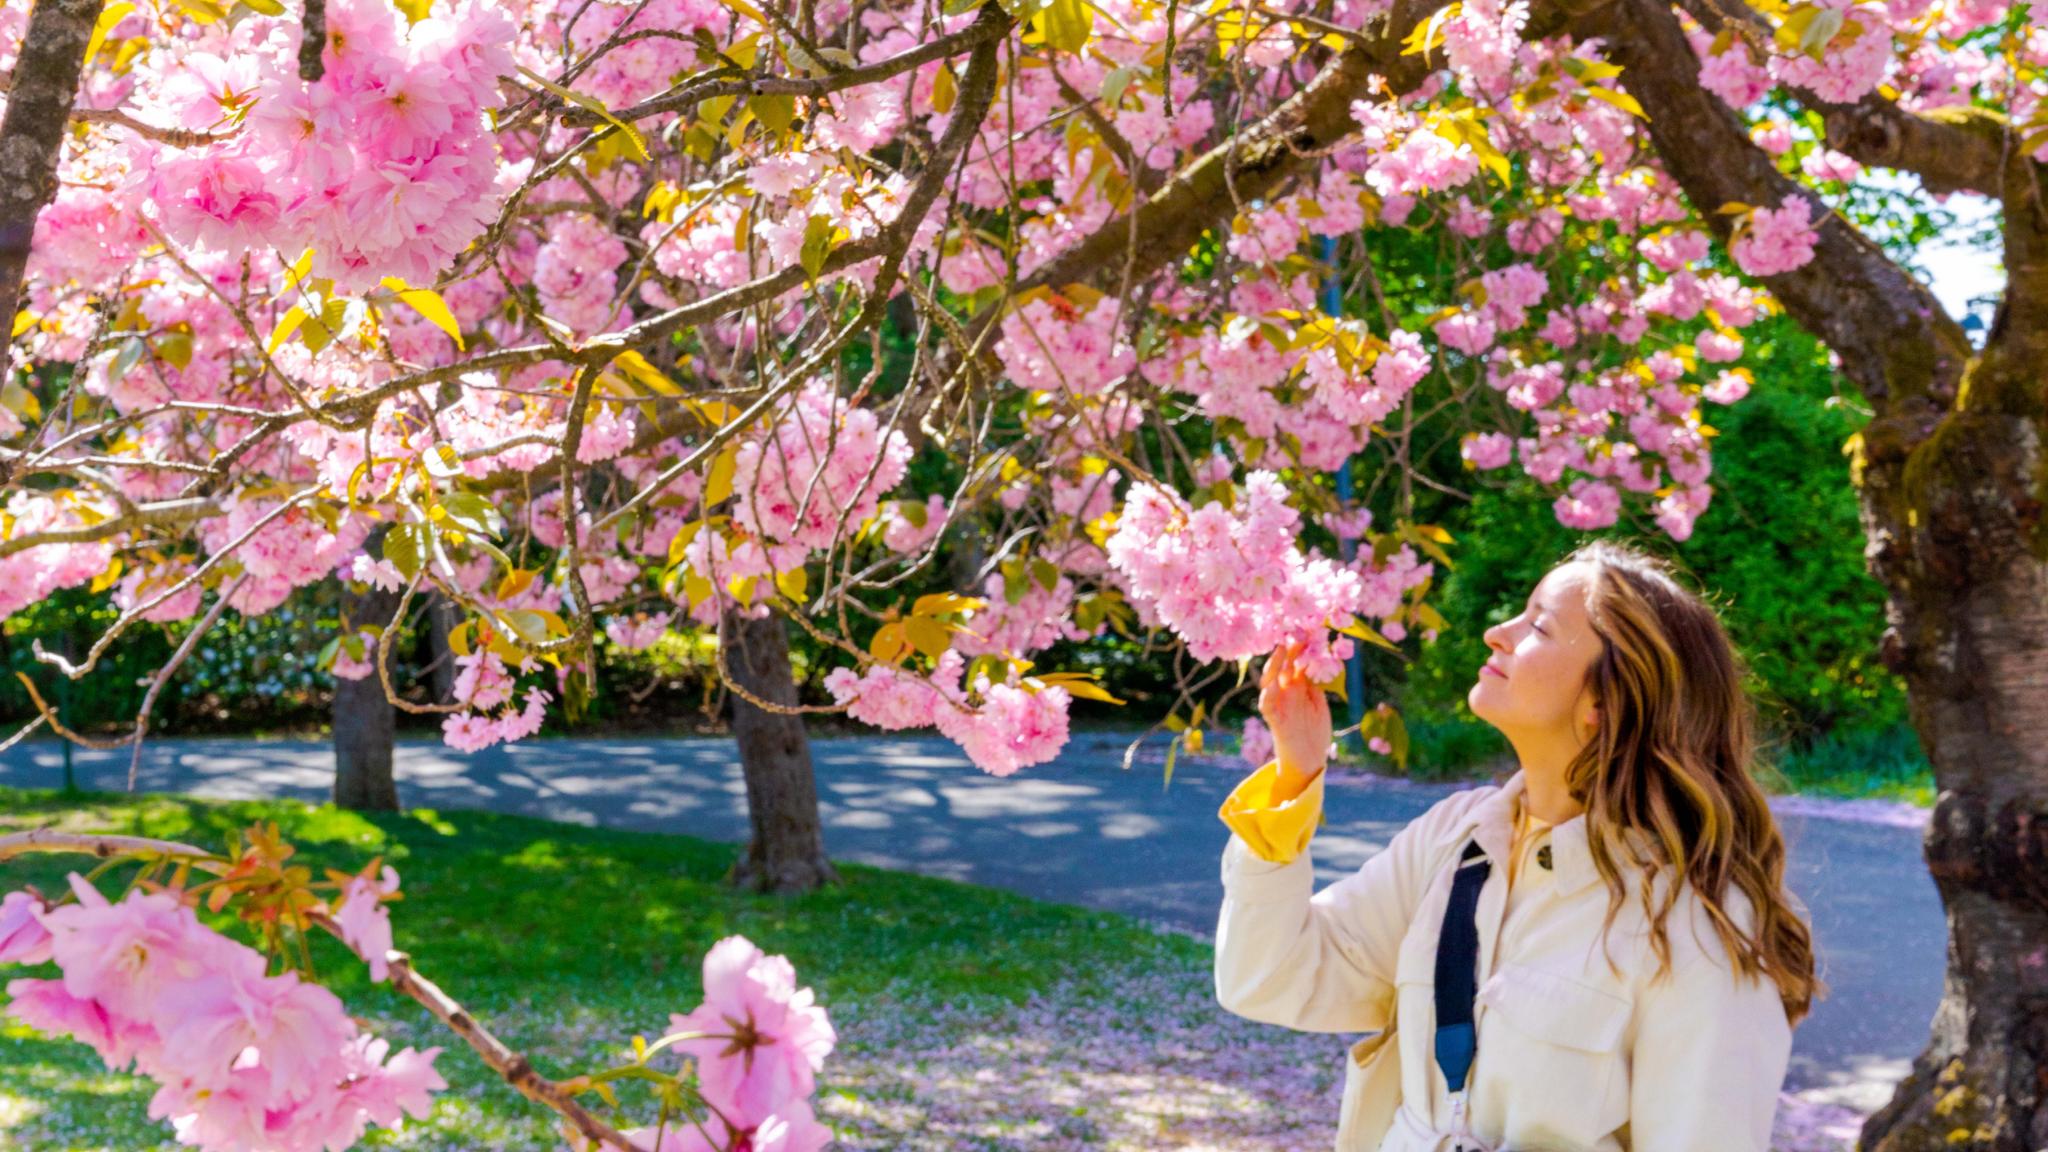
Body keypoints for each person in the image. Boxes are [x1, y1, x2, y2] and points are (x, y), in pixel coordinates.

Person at [1213, 539, 1821, 1152]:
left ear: (1604, 703)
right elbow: (1270, 976)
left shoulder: (1699, 925)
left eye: (1539, 625)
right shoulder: (1455, 839)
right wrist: (1295, 774)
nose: (1496, 633)